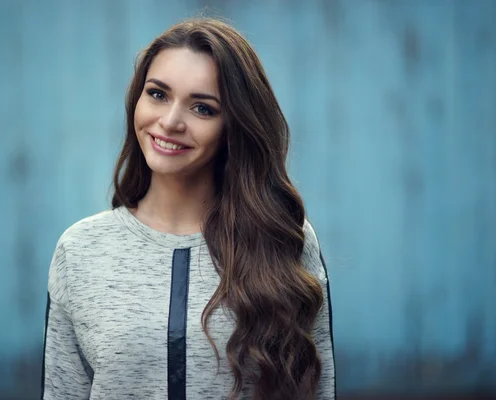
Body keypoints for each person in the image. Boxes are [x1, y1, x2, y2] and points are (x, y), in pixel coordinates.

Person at [41, 17, 335, 400]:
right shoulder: (80, 249)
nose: (169, 121)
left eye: (202, 108)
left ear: (235, 125)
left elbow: (316, 390)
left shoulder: (282, 240)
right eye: (158, 94)